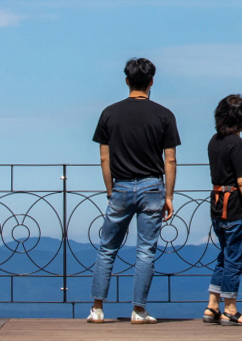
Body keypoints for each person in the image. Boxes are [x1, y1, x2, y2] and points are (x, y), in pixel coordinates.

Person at [88, 58, 179, 325]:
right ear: (151, 82)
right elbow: (170, 160)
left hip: (121, 185)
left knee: (107, 249)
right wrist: (169, 196)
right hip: (152, 186)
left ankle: (97, 308)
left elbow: (104, 159)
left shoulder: (109, 113)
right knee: (146, 251)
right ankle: (139, 310)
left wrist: (110, 189)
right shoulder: (165, 115)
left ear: (127, 80)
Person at [204, 94, 242, 326]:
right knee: (235, 259)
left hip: (218, 206)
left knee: (224, 256)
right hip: (236, 209)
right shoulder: (237, 145)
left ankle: (212, 305)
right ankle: (230, 308)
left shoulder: (214, 140)